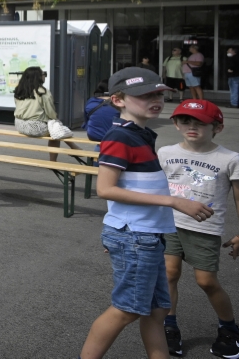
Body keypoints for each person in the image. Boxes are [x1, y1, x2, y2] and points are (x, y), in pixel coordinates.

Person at [79, 68, 215, 359]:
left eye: (157, 93)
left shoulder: (139, 134)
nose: (154, 99)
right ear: (118, 100)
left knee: (156, 311)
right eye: (144, 95)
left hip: (144, 236)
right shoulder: (120, 137)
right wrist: (174, 202)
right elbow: (105, 189)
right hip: (136, 237)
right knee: (126, 310)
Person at [158, 100, 239, 357]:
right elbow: (156, 191)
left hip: (205, 229)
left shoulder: (230, 159)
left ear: (218, 127)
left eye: (200, 122)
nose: (192, 126)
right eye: (185, 121)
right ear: (176, 123)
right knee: (169, 275)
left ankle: (228, 330)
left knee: (206, 281)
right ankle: (169, 329)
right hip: (168, 224)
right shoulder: (166, 152)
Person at [13, 66, 80, 161]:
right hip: (35, 127)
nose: (44, 76)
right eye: (43, 74)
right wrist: (56, 120)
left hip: (19, 124)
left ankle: (74, 148)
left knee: (56, 128)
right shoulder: (43, 92)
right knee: (56, 131)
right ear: (38, 77)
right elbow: (51, 112)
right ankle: (54, 160)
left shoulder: (19, 90)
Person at [84, 79, 121, 143]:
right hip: (113, 137)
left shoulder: (91, 101)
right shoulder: (118, 103)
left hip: (93, 135)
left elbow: (86, 120)